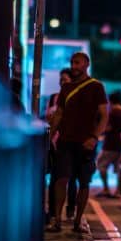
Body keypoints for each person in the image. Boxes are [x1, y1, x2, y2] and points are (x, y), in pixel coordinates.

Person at [47, 52, 108, 234]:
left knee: (83, 182)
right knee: (61, 179)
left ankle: (78, 220)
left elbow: (104, 115)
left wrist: (94, 137)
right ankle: (57, 219)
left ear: (86, 64)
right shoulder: (66, 88)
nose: (74, 66)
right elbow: (59, 114)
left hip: (86, 143)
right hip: (66, 140)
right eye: (72, 63)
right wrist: (50, 137)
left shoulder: (96, 87)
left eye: (77, 63)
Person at [45, 68, 77, 221]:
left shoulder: (76, 97)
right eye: (61, 79)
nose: (62, 82)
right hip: (54, 142)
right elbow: (48, 119)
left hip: (69, 141)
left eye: (65, 79)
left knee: (70, 178)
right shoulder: (53, 98)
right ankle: (53, 212)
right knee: (54, 178)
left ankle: (70, 211)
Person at [96, 91, 121, 197]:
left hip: (110, 144)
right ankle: (117, 191)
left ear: (109, 101)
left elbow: (108, 127)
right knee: (119, 169)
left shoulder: (111, 113)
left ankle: (106, 188)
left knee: (101, 164)